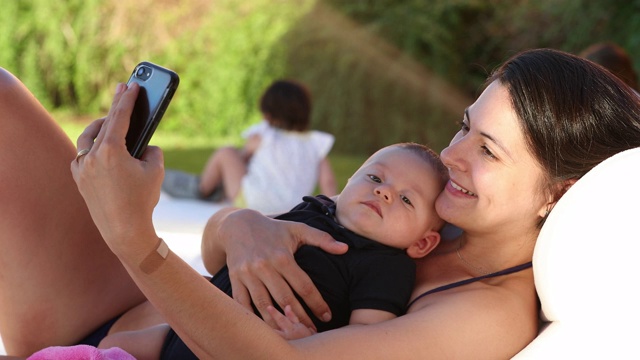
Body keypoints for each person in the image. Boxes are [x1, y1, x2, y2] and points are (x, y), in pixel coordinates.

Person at [1, 48, 640, 359]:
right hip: (121, 310)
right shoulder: (431, 207)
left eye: (489, 151)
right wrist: (246, 227)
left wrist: (134, 239)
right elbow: (233, 237)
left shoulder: (486, 313)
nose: (454, 156)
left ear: (560, 193)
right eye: (462, 127)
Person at [97, 142, 449, 359]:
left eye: (405, 199)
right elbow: (231, 250)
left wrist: (309, 346)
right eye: (374, 178)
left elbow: (367, 336)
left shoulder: (386, 265)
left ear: (422, 243)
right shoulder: (313, 210)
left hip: (250, 347)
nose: (384, 192)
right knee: (113, 344)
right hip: (189, 327)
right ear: (347, 182)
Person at [162, 79, 337, 214]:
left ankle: (203, 188)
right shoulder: (315, 144)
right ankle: (212, 189)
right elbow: (328, 183)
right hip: (292, 209)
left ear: (268, 113)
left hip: (251, 202)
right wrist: (328, 211)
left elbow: (242, 159)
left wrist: (243, 157)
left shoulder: (264, 134)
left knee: (227, 153)